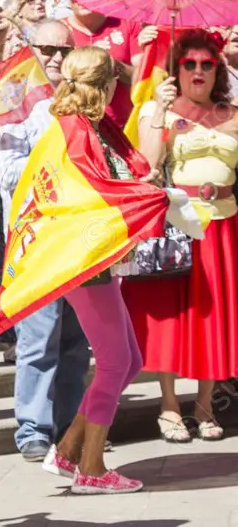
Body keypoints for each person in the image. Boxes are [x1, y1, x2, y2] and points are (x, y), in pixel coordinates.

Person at [40, 47, 145, 495]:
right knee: (116, 362)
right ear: (105, 87)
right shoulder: (74, 129)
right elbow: (92, 192)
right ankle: (93, 468)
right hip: (84, 259)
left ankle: (66, 451)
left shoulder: (85, 126)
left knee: (130, 361)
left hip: (92, 256)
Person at [126, 30, 238, 443]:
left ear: (218, 69)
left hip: (224, 226)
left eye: (207, 64)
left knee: (214, 317)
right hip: (179, 226)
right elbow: (149, 165)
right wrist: (160, 108)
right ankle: (170, 407)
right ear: (177, 69)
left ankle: (206, 406)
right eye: (188, 63)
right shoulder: (161, 110)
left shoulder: (234, 113)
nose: (198, 70)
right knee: (173, 318)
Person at [0, 20, 91, 462]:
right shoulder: (11, 102)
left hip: (75, 237)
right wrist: (58, 149)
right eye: (45, 48)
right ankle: (33, 427)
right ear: (28, 50)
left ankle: (69, 425)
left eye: (62, 50)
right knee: (38, 337)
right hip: (34, 240)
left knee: (74, 339)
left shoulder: (82, 102)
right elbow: (10, 173)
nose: (54, 57)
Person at [59, 0, 151, 130]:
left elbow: (142, 79)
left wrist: (110, 63)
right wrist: (88, 63)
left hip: (125, 129)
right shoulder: (60, 32)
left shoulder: (126, 23)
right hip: (79, 130)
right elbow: (54, 84)